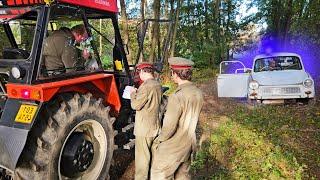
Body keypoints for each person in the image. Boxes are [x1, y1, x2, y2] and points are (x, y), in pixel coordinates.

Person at [150, 57, 204, 180]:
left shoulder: (177, 97)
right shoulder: (198, 93)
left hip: (173, 147)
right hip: (189, 144)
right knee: (183, 176)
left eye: (172, 72)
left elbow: (169, 128)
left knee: (158, 174)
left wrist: (158, 141)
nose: (171, 75)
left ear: (176, 74)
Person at [130, 62, 162, 180]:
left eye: (139, 72)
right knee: (153, 157)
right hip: (155, 126)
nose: (139, 75)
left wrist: (133, 94)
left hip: (144, 129)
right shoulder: (157, 84)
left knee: (142, 160)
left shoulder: (146, 86)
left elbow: (136, 105)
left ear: (143, 72)